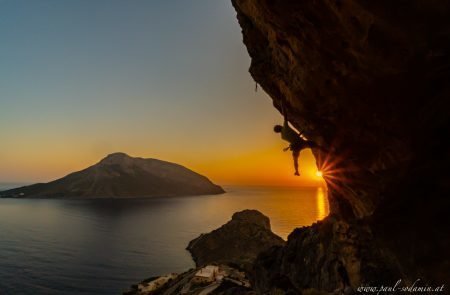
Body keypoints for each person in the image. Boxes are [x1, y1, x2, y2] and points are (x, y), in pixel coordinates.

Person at [274, 109, 318, 176]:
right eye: (279, 125)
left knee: (295, 160)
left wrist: (298, 135)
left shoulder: (282, 137)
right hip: (301, 143)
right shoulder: (285, 127)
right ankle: (327, 150)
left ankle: (297, 171)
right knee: (314, 145)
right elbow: (285, 116)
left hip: (295, 146)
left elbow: (292, 137)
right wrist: (282, 104)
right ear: (279, 127)